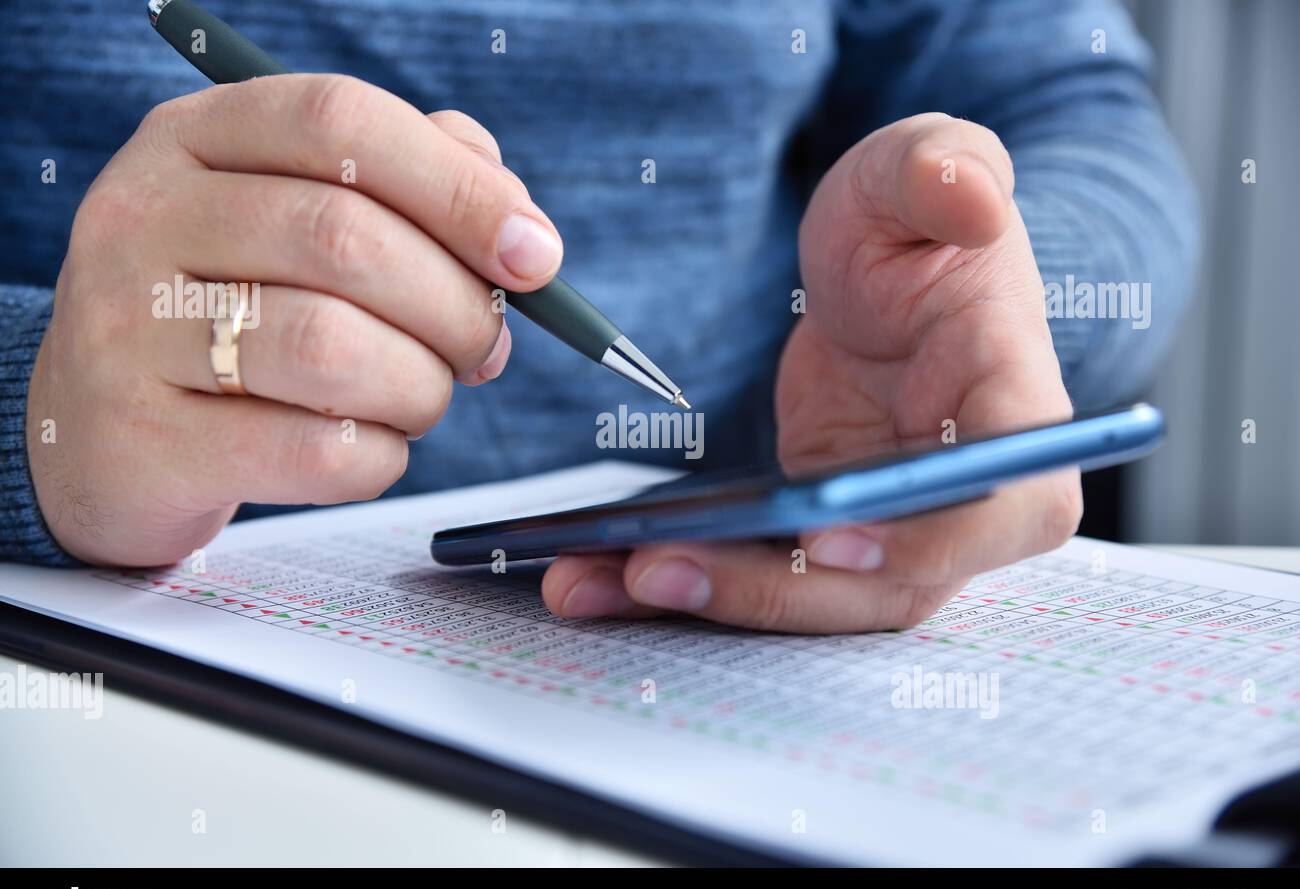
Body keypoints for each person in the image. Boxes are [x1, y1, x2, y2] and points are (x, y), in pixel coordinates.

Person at [0, 0, 1198, 634]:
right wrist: (33, 407)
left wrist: (978, 305)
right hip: (114, 657)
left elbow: (1064, 96)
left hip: (712, 570)